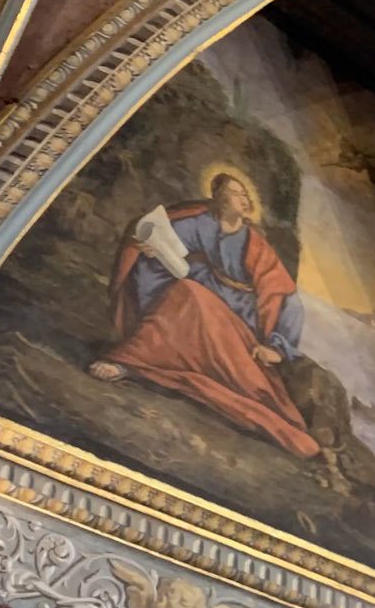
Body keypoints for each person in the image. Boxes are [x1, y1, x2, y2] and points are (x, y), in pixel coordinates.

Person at [89, 171, 319, 461]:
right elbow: (164, 241)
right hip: (198, 300)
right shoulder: (199, 224)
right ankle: (129, 362)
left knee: (193, 300)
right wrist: (149, 249)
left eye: (246, 194)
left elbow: (287, 298)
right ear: (219, 199)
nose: (245, 199)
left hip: (239, 323)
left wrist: (277, 347)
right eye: (236, 193)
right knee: (186, 294)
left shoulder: (256, 244)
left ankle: (138, 362)